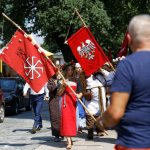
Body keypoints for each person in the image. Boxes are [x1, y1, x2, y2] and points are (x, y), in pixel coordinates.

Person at [96, 14, 150, 150]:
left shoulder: (128, 65)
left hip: (134, 142)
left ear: (129, 38)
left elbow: (115, 113)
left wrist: (101, 122)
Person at [57, 61, 83, 149]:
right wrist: (64, 86)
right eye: (69, 70)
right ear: (66, 71)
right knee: (66, 121)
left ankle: (70, 137)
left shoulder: (77, 80)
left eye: (72, 70)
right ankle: (68, 142)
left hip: (73, 102)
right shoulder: (62, 80)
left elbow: (80, 92)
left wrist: (78, 96)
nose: (70, 72)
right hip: (65, 102)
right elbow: (59, 93)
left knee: (73, 121)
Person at [79, 66, 109, 139]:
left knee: (100, 113)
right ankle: (90, 131)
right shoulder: (85, 74)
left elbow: (109, 76)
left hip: (101, 97)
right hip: (90, 97)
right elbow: (82, 83)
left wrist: (101, 70)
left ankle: (99, 130)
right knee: (90, 114)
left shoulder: (102, 72)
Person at [46, 65, 62, 142]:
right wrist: (57, 81)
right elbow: (51, 88)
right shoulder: (51, 80)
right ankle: (56, 135)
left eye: (59, 71)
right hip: (54, 100)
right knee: (55, 118)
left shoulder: (64, 79)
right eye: (56, 71)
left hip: (62, 99)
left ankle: (62, 133)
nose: (58, 73)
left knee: (62, 118)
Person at [75, 63, 86, 133]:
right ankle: (79, 127)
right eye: (77, 68)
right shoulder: (74, 77)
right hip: (76, 95)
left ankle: (84, 125)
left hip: (84, 95)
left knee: (84, 111)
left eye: (80, 68)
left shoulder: (85, 77)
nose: (79, 69)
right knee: (78, 111)